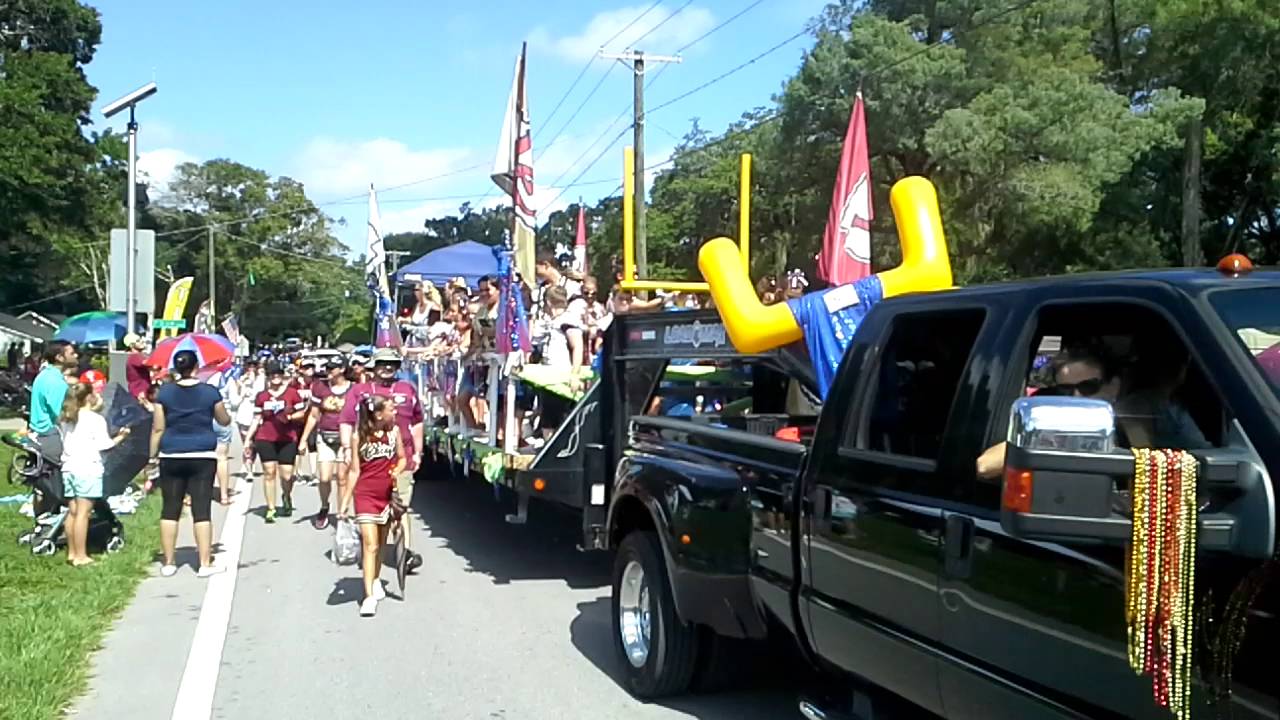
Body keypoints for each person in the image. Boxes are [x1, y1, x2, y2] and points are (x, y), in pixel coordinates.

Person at [339, 347, 424, 572]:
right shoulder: (360, 391)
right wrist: (347, 448)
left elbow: (417, 421)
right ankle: (370, 548)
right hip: (369, 460)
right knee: (372, 509)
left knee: (400, 506)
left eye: (392, 364)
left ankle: (404, 553)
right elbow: (346, 420)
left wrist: (418, 451)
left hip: (401, 458)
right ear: (374, 366)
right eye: (383, 363)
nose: (387, 367)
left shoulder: (407, 389)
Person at [149, 350, 231, 577]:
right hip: (202, 453)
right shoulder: (209, 392)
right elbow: (223, 419)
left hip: (171, 454)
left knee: (170, 509)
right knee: (201, 509)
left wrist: (152, 456)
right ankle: (204, 563)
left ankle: (168, 563)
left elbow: (158, 427)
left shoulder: (165, 393)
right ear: (196, 367)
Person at [339, 394, 405, 617]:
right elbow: (355, 471)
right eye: (391, 409)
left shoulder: (394, 433)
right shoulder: (359, 436)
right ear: (378, 414)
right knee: (370, 544)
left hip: (386, 495)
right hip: (365, 495)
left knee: (381, 542)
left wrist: (396, 471)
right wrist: (345, 502)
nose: (395, 412)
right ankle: (368, 597)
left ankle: (375, 577)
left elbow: (402, 458)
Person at [59, 382, 131, 566]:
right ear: (89, 397)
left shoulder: (67, 418)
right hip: (88, 468)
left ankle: (72, 553)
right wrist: (121, 437)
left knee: (73, 512)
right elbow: (104, 445)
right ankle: (81, 555)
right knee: (84, 513)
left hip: (69, 467)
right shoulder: (95, 419)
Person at [243, 361, 307, 523]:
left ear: (282, 375)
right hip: (265, 437)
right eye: (272, 374)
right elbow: (256, 418)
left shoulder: (292, 393)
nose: (275, 377)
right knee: (269, 472)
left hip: (287, 438)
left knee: (287, 475)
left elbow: (302, 413)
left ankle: (286, 495)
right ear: (268, 377)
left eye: (278, 374)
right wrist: (248, 439)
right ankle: (271, 508)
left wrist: (290, 416)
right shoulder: (262, 396)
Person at [299, 355, 353, 530]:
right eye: (327, 368)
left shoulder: (353, 389)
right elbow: (314, 415)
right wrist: (303, 440)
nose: (328, 371)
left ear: (342, 370)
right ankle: (324, 505)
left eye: (332, 368)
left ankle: (342, 512)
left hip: (345, 439)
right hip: (325, 436)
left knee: (342, 478)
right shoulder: (320, 387)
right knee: (324, 477)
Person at [29, 340, 79, 463]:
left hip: (40, 435)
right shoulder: (55, 382)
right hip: (51, 438)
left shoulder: (46, 375)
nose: (76, 355)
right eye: (71, 353)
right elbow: (65, 415)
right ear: (59, 358)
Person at [123, 333, 152, 406]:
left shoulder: (138, 356)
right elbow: (150, 364)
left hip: (139, 392)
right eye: (138, 341)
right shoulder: (134, 356)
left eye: (141, 339)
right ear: (131, 345)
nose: (142, 341)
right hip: (140, 393)